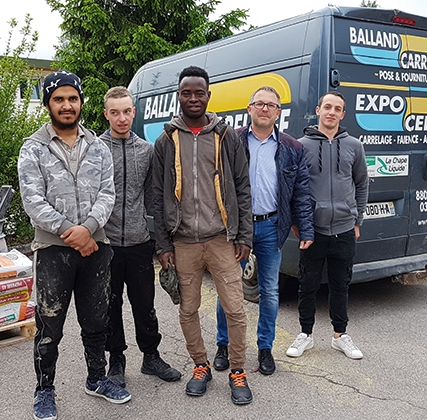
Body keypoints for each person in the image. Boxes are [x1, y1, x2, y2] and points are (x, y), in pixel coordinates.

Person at [18, 70, 130, 420]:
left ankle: (96, 378)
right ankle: (45, 390)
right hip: (54, 251)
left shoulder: (97, 146)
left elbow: (108, 193)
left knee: (97, 320)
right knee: (50, 324)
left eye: (72, 98)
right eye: (59, 99)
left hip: (97, 248)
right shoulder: (33, 148)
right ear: (49, 104)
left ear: (81, 102)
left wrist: (90, 229)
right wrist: (72, 231)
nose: (66, 106)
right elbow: (32, 200)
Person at [152, 66, 254, 405]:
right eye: (186, 93)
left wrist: (244, 236)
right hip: (182, 242)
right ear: (178, 96)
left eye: (199, 92)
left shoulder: (227, 137)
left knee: (236, 309)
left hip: (222, 239)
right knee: (188, 309)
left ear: (208, 96)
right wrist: (163, 244)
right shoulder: (166, 140)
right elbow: (157, 195)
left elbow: (242, 187)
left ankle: (237, 371)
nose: (193, 98)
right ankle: (201, 366)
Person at [214, 86, 314, 375]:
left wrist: (305, 228)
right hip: (237, 227)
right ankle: (224, 345)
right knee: (229, 289)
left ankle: (265, 348)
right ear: (249, 109)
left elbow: (301, 192)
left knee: (269, 291)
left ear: (278, 112)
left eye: (271, 105)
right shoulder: (230, 141)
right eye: (259, 104)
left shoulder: (292, 148)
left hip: (272, 226)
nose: (265, 109)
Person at [100, 86, 181, 388]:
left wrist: (163, 243)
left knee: (145, 304)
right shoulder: (96, 149)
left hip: (138, 243)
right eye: (115, 112)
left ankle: (151, 356)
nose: (121, 118)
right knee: (110, 306)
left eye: (126, 111)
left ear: (134, 112)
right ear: (106, 113)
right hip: (104, 245)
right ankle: (116, 360)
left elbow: (153, 201)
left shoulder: (146, 151)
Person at [286, 91, 369, 361]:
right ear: (318, 110)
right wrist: (299, 222)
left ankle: (340, 336)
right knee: (307, 285)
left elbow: (361, 183)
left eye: (338, 109)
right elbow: (294, 189)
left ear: (343, 115)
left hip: (344, 228)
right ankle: (305, 335)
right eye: (327, 107)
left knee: (340, 284)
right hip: (313, 230)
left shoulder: (354, 146)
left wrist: (357, 219)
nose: (332, 112)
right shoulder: (300, 146)